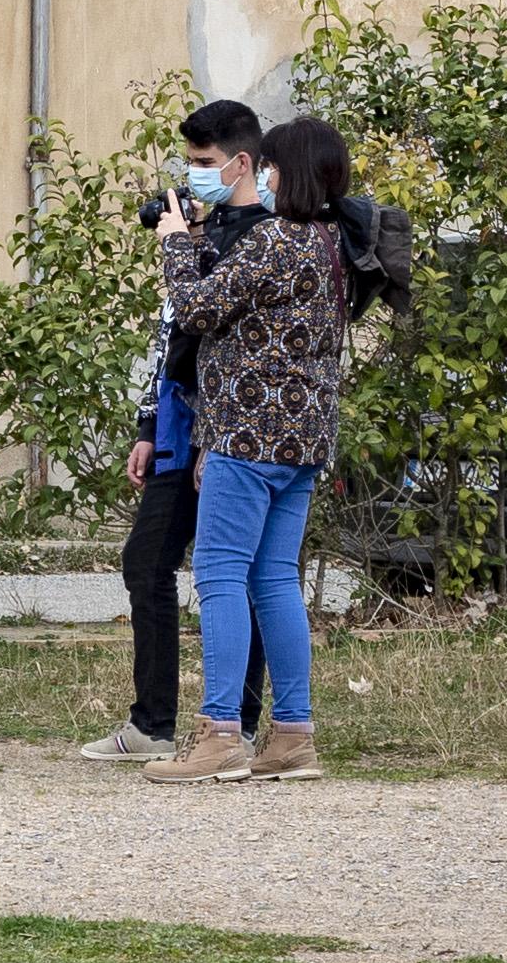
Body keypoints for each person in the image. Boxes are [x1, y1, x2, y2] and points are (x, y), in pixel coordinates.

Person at [145, 111, 357, 783]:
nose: (261, 174)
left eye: (269, 165)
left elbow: (198, 310)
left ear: (286, 171)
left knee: (219, 575)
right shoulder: (332, 243)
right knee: (273, 581)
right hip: (303, 439)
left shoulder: (277, 241)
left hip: (250, 436)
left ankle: (219, 734)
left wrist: (177, 242)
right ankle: (292, 734)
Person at [79, 101, 266, 764]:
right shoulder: (200, 231)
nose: (192, 178)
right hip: (177, 428)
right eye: (188, 164)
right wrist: (147, 424)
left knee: (239, 576)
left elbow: (214, 328)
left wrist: (182, 244)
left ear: (242, 162)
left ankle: (239, 726)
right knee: (147, 562)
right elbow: (170, 337)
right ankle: (152, 722)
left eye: (204, 164)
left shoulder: (259, 237)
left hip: (225, 437)